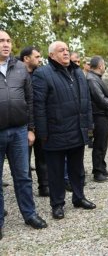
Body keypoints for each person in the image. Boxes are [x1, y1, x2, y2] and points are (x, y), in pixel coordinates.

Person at [33, 40, 96, 220]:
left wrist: (88, 125)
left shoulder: (78, 73)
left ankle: (79, 197)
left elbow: (86, 102)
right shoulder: (42, 74)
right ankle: (57, 204)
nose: (66, 53)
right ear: (52, 55)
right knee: (56, 172)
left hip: (77, 130)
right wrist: (42, 133)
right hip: (55, 132)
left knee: (77, 169)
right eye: (61, 50)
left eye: (67, 50)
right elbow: (39, 106)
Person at [0, 31, 48, 240]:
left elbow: (29, 101)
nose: (5, 44)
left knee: (23, 177)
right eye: (1, 41)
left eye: (8, 41)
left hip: (19, 131)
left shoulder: (20, 68)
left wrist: (31, 129)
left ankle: (29, 214)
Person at [19, 46, 49, 197]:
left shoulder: (40, 74)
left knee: (42, 157)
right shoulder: (16, 74)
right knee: (24, 161)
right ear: (26, 58)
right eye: (36, 57)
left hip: (39, 122)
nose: (39, 59)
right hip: (23, 124)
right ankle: (27, 191)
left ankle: (44, 186)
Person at [86, 56, 108, 182]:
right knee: (99, 145)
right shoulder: (92, 79)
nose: (105, 67)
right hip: (99, 116)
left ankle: (102, 168)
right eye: (104, 65)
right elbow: (100, 99)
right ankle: (98, 172)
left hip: (103, 115)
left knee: (103, 144)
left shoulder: (96, 78)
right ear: (100, 66)